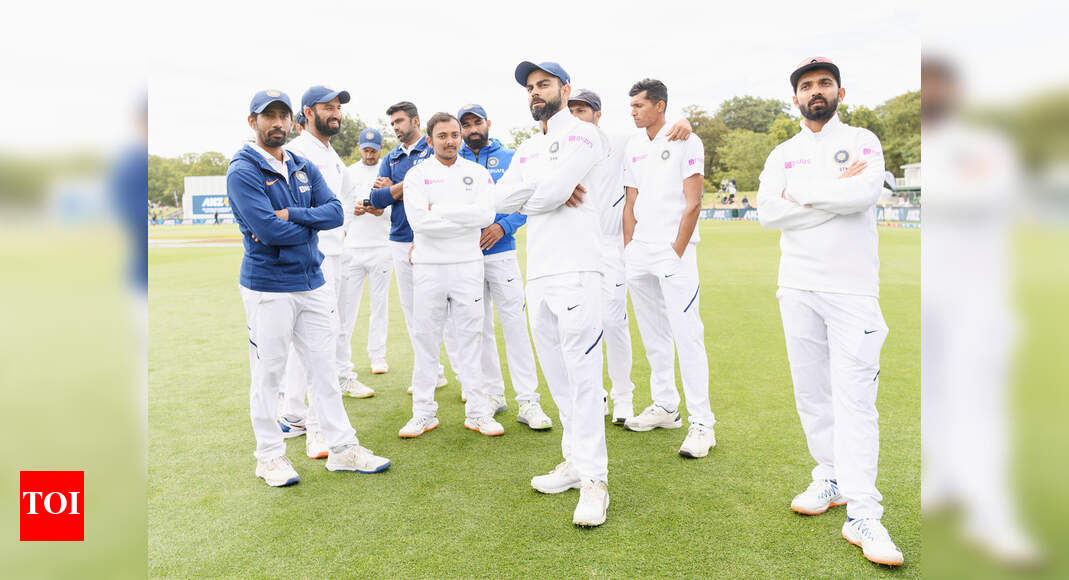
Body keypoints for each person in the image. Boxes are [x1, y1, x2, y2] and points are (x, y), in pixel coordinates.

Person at [757, 57, 903, 566]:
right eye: (806, 85)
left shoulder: (863, 141)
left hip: (852, 290)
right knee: (812, 393)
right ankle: (831, 476)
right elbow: (767, 212)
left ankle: (864, 513)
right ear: (795, 97)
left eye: (824, 83)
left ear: (840, 91)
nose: (815, 91)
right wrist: (831, 196)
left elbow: (862, 194)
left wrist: (798, 194)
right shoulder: (783, 153)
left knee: (855, 400)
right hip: (797, 286)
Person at [226, 89, 390, 487]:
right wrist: (307, 225)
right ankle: (269, 457)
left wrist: (292, 216)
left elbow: (334, 213)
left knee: (324, 369)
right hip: (269, 286)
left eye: (282, 115)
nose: (277, 122)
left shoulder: (301, 164)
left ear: (291, 120)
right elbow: (268, 230)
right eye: (268, 116)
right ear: (253, 122)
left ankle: (342, 448)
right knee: (269, 374)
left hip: (312, 281)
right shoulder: (243, 169)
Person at [496, 61, 609, 527]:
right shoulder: (527, 148)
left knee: (584, 378)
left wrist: (539, 195)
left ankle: (596, 480)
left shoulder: (584, 134)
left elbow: (551, 193)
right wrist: (543, 192)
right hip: (539, 271)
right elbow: (499, 199)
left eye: (544, 84)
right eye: (530, 87)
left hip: (578, 269)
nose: (535, 92)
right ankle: (575, 461)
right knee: (558, 378)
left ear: (565, 88)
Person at [566, 90, 693, 425]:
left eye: (582, 111)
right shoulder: (561, 149)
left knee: (613, 321)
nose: (577, 117)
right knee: (579, 325)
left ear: (597, 115)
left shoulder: (620, 142)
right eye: (572, 111)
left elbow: (662, 132)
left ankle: (623, 396)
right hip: (574, 248)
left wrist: (684, 121)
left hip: (612, 247)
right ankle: (594, 395)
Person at [620, 79, 717, 459]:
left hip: (674, 253)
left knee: (687, 334)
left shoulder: (686, 140)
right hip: (639, 253)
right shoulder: (632, 144)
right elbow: (631, 201)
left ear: (659, 106)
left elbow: (694, 201)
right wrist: (630, 246)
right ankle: (665, 406)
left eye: (639, 105)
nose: (632, 112)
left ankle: (703, 423)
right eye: (631, 106)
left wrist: (676, 249)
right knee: (653, 334)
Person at [278, 85, 374, 462]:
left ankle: (294, 415)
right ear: (308, 112)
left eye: (338, 107)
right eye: (327, 107)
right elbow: (289, 208)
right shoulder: (297, 151)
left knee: (311, 339)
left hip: (332, 254)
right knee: (318, 340)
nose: (335, 113)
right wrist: (325, 230)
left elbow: (346, 198)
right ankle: (317, 427)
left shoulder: (330, 154)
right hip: (310, 257)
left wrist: (343, 226)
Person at [399, 112, 502, 438]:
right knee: (426, 339)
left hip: (468, 265)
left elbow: (485, 215)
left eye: (455, 135)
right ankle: (423, 413)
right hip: (429, 267)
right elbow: (419, 222)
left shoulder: (477, 173)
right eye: (442, 136)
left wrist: (440, 211)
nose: (450, 141)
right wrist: (463, 218)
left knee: (472, 338)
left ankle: (478, 412)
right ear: (430, 141)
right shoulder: (417, 175)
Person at [457, 103, 552, 430]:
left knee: (515, 326)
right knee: (479, 327)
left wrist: (503, 227)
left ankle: (528, 400)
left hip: (502, 253)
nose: (472, 129)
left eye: (477, 122)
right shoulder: (454, 160)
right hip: (467, 257)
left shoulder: (511, 157)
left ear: (488, 123)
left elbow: (530, 200)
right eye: (466, 124)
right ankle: (492, 394)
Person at [370, 101, 454, 393]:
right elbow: (376, 200)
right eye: (393, 123)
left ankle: (466, 378)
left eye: (400, 121)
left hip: (433, 239)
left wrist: (395, 187)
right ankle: (431, 373)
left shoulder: (432, 148)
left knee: (446, 310)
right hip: (400, 239)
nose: (395, 127)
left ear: (415, 121)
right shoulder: (391, 157)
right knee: (413, 312)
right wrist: (406, 187)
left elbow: (441, 191)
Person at [339, 127, 393, 379]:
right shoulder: (349, 172)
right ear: (359, 148)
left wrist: (380, 210)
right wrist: (354, 209)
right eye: (365, 150)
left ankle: (377, 355)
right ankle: (343, 359)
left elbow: (396, 209)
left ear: (380, 148)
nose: (369, 154)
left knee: (379, 306)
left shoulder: (387, 171)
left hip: (381, 247)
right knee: (346, 307)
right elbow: (341, 206)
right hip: (352, 249)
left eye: (373, 150)